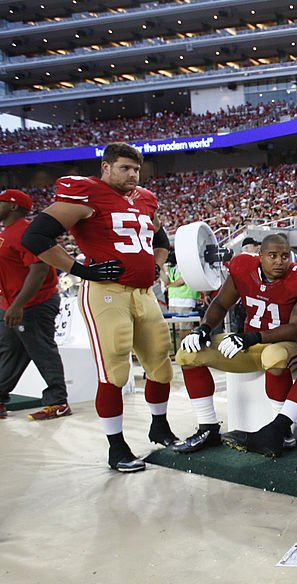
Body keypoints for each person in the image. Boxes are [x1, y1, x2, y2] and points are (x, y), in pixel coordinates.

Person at [22, 142, 176, 472]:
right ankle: (116, 447)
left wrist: (156, 264)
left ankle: (159, 426)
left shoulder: (146, 199)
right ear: (105, 168)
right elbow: (35, 237)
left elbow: (161, 241)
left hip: (143, 292)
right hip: (105, 294)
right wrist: (80, 269)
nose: (132, 174)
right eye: (124, 168)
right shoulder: (87, 194)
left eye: (136, 169)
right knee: (115, 369)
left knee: (161, 362)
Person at [173, 234, 297, 459]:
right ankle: (208, 428)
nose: (280, 261)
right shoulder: (243, 268)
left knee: (274, 356)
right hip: (250, 343)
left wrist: (252, 337)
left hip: (287, 343)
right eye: (272, 256)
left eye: (284, 256)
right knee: (188, 353)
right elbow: (222, 303)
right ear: (260, 256)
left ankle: (281, 431)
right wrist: (204, 328)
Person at [0, 189, 68, 421]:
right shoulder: (8, 232)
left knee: (41, 349)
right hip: (11, 304)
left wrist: (18, 305)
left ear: (13, 206)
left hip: (34, 303)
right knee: (11, 351)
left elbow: (39, 269)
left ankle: (58, 401)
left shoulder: (26, 231)